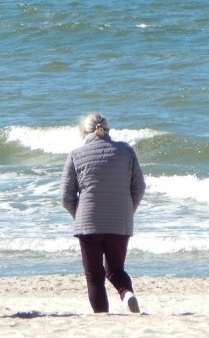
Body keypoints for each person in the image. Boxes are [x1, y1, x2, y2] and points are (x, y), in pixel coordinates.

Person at [60, 112, 146, 314]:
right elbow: (139, 187)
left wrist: (79, 215)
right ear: (108, 130)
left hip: (88, 223)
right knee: (116, 270)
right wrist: (127, 210)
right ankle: (127, 295)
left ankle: (102, 317)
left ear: (85, 132)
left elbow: (65, 195)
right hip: (119, 222)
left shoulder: (75, 154)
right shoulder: (126, 151)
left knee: (94, 276)